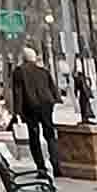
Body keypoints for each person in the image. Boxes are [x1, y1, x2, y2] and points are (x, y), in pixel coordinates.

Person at [7, 48, 61, 179]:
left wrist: (17, 113)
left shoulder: (19, 72)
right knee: (50, 135)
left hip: (31, 107)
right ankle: (56, 166)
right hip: (46, 105)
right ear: (34, 58)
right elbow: (53, 89)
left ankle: (41, 169)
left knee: (34, 138)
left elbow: (18, 93)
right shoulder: (43, 71)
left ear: (23, 58)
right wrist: (54, 100)